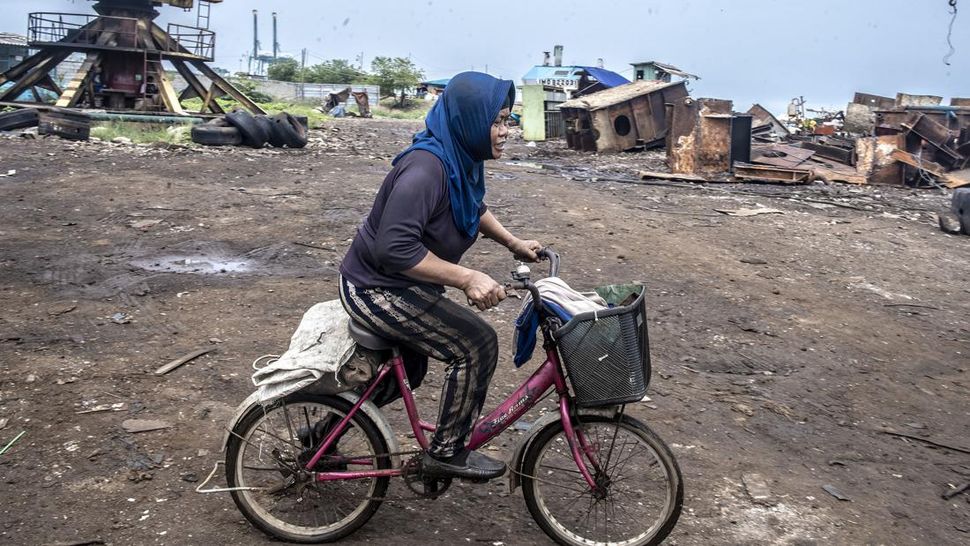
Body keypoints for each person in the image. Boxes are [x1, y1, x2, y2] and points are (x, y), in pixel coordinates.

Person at [338, 72, 541, 481]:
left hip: (402, 284)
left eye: (508, 121)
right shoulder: (425, 170)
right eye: (498, 121)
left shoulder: (457, 160)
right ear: (469, 119)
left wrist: (512, 242)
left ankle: (324, 429)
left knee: (408, 374)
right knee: (475, 343)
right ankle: (445, 454)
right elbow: (394, 249)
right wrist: (466, 277)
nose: (505, 132)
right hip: (375, 287)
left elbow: (472, 206)